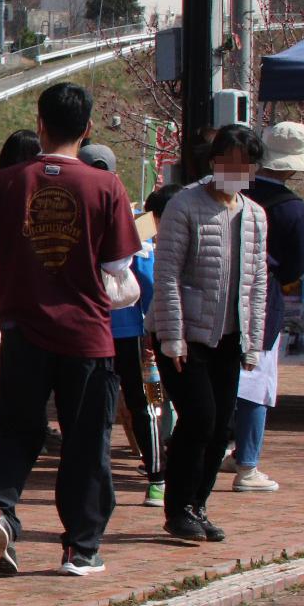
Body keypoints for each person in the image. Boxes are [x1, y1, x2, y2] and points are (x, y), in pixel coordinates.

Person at [0, 82, 142, 578]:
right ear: (87, 129)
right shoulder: (106, 187)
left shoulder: (6, 184)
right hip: (86, 336)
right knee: (86, 441)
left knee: (15, 432)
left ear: (39, 123)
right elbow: (119, 263)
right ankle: (80, 548)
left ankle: (0, 512)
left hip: (23, 332)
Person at [148, 123, 270, 545]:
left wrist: (252, 342)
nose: (234, 170)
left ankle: (198, 505)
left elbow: (256, 284)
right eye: (227, 161)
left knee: (221, 427)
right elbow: (166, 274)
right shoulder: (186, 205)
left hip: (229, 337)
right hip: (185, 334)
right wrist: (172, 336)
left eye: (244, 164)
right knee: (198, 418)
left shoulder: (255, 214)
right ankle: (178, 507)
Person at [228, 121, 304, 493]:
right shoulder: (292, 209)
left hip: (216, 298)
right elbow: (296, 266)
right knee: (255, 384)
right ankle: (247, 464)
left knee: (221, 381)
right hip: (263, 301)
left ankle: (219, 449)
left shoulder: (228, 191)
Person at [114, 185, 180, 509]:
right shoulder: (143, 229)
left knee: (110, 403)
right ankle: (157, 476)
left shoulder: (129, 223)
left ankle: (153, 472)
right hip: (133, 331)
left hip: (99, 328)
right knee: (146, 402)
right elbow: (149, 280)